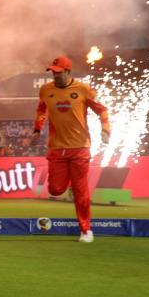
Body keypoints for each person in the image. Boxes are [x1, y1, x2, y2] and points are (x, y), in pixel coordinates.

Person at [32, 56, 110, 243]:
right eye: (53, 72)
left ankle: (86, 230)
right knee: (56, 189)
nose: (55, 76)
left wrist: (106, 130)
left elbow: (102, 110)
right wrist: (37, 129)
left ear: (68, 71)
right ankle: (69, 184)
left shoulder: (83, 89)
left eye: (58, 72)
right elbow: (41, 110)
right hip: (57, 147)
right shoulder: (46, 90)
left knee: (80, 190)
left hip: (80, 147)